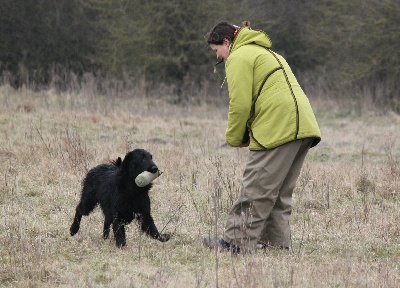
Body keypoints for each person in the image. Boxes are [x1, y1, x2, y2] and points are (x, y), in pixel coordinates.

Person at [203, 21, 321, 253]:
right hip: (302, 125)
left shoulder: (239, 56)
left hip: (278, 126)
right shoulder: (265, 52)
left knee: (256, 188)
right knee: (278, 191)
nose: (220, 58)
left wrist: (235, 137)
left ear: (226, 42)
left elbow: (240, 104)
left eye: (218, 52)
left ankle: (234, 244)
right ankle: (275, 244)